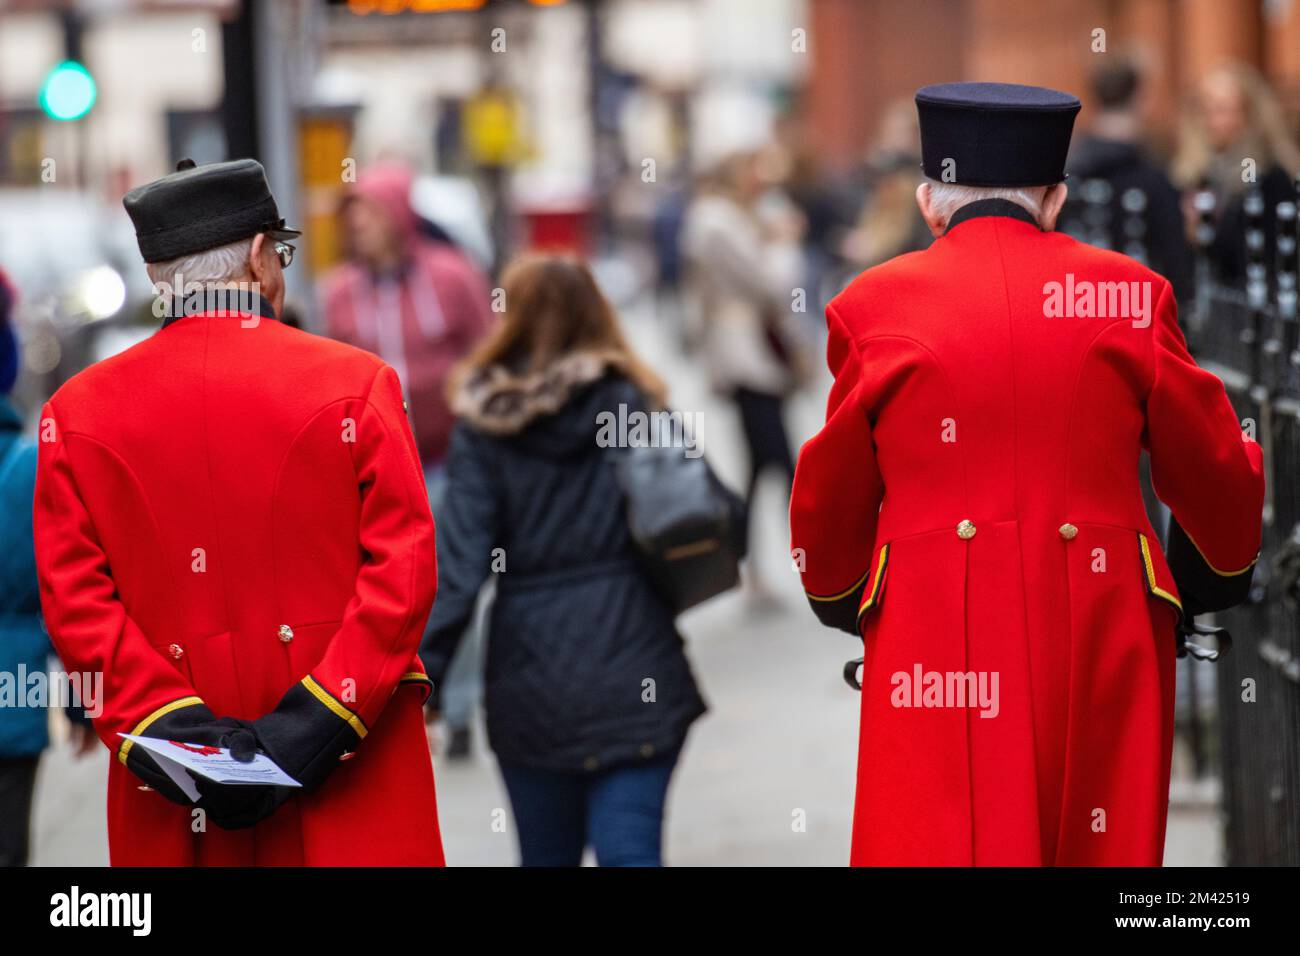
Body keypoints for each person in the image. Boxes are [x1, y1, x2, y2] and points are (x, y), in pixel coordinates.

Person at [790, 82, 1264, 866]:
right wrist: (1207, 577)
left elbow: (828, 491)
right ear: (1054, 199)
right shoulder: (1130, 294)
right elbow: (1214, 463)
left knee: (939, 837)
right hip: (1101, 611)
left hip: (933, 624)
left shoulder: (871, 305)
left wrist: (845, 597)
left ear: (928, 203)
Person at [33, 159, 443, 866]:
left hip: (176, 793)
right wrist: (316, 721)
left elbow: (79, 611)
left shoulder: (74, 416)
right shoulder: (358, 384)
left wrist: (187, 741)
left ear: (162, 276)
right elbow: (403, 574)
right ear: (260, 257)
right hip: (351, 770)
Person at [420, 255, 707, 867]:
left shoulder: (482, 427)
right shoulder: (631, 402)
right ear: (596, 313)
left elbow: (462, 565)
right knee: (632, 852)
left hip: (531, 680)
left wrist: (426, 681)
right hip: (636, 661)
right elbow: (693, 507)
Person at [322, 161, 494, 759]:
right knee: (390, 588)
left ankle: (460, 702)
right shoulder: (339, 291)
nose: (358, 228)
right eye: (352, 218)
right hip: (375, 467)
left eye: (368, 213)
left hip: (448, 460)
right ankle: (402, 701)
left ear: (397, 215)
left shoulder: (451, 276)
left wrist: (470, 407)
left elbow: (488, 351)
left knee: (449, 582)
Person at [682, 151, 805, 600]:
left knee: (763, 462)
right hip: (744, 357)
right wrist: (785, 243)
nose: (763, 179)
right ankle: (814, 558)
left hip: (748, 354)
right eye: (756, 170)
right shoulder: (717, 221)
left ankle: (750, 568)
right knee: (781, 460)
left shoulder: (723, 218)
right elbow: (770, 284)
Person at [1064, 56, 1194, 302]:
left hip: (1077, 308)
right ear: (1139, 98)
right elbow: (1176, 266)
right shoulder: (1154, 180)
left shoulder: (1067, 176)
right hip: (1140, 317)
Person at [1172, 62, 1300, 284]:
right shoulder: (1196, 173)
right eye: (1206, 108)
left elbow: (1264, 258)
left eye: (1222, 109)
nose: (1211, 120)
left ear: (1248, 115)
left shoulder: (1268, 178)